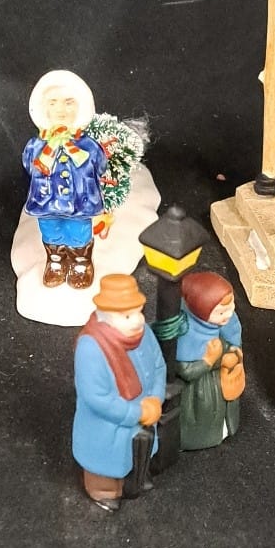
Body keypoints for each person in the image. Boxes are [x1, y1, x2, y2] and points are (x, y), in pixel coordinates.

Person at [73, 274, 166, 512]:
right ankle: (104, 491)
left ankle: (137, 477)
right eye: (127, 316)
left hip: (145, 413)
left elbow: (158, 366)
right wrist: (137, 413)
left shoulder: (144, 333)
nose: (137, 320)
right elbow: (97, 398)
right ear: (107, 317)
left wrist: (155, 399)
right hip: (108, 426)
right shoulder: (91, 348)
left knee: (138, 452)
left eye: (138, 312)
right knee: (105, 465)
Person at [22, 71, 110, 289]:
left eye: (69, 102)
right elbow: (29, 166)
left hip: (80, 202)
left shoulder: (88, 145)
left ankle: (81, 262)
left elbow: (100, 166)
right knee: (50, 230)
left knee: (79, 232)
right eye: (53, 103)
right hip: (46, 201)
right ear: (43, 108)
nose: (60, 109)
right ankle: (55, 261)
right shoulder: (36, 145)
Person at [173, 271, 244, 451]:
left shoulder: (228, 322)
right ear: (201, 309)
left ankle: (224, 428)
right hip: (199, 389)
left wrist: (233, 354)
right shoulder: (187, 332)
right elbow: (185, 371)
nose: (228, 315)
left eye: (231, 307)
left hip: (221, 381)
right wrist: (208, 360)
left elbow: (233, 343)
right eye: (221, 312)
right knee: (202, 414)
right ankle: (196, 439)